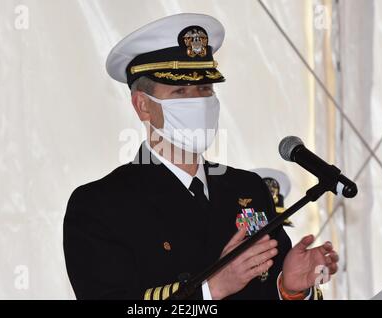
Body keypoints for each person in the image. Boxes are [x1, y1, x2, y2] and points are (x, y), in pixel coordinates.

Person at [63, 13, 338, 300]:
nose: (198, 102)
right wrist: (211, 289)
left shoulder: (248, 188)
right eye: (181, 91)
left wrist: (290, 288)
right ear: (143, 105)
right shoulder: (100, 206)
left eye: (205, 89)